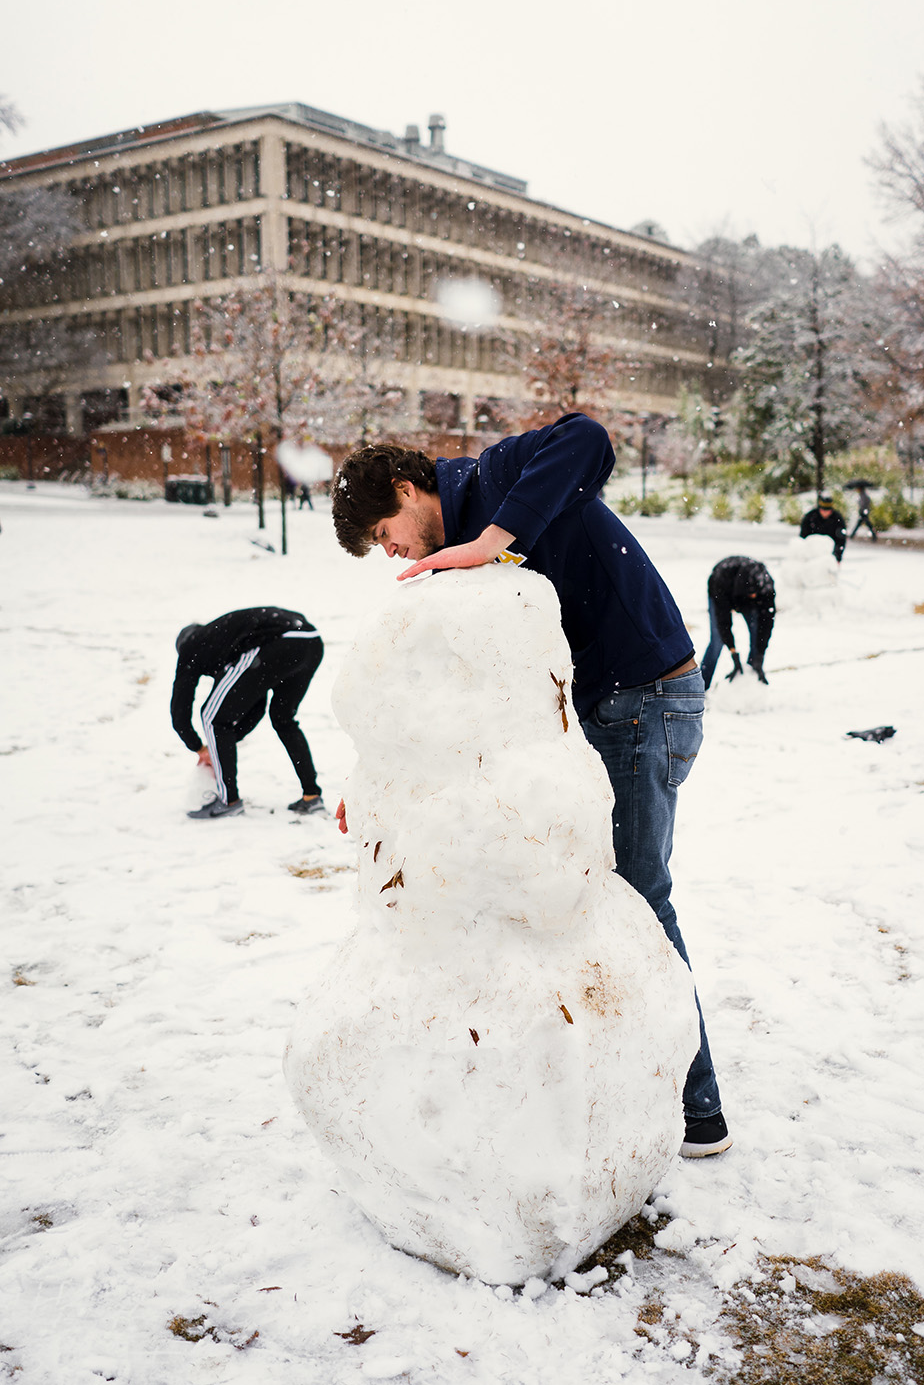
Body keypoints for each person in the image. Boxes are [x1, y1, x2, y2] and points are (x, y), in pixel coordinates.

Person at [331, 412, 731, 1158]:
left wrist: (490, 539)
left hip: (647, 699)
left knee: (636, 897)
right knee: (590, 893)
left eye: (386, 531)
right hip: (605, 710)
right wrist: (385, 772)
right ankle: (613, 1089)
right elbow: (465, 676)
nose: (390, 550)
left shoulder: (496, 477)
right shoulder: (460, 553)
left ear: (409, 488)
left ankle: (697, 1108)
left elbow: (589, 438)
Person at [171, 607, 325, 819]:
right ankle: (312, 796)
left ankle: (229, 802)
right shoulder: (225, 642)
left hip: (284, 642)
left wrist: (199, 748)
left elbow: (180, 711)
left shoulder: (192, 646)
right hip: (310, 640)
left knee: (211, 716)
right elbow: (254, 705)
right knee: (284, 719)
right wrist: (223, 745)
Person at [700, 556, 775, 689]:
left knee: (756, 633)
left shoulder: (765, 587)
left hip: (744, 598)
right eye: (750, 594)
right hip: (723, 592)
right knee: (717, 641)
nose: (753, 596)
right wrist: (733, 653)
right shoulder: (721, 581)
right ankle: (701, 686)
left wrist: (760, 655)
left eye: (755, 594)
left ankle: (749, 679)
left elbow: (766, 623)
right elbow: (723, 621)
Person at [799, 493, 847, 562]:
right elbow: (803, 536)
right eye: (823, 510)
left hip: (829, 554)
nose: (825, 512)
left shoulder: (838, 519)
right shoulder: (810, 517)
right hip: (812, 553)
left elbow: (841, 540)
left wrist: (837, 558)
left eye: (827, 510)